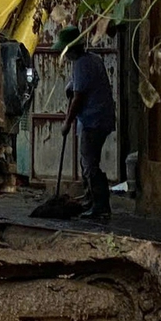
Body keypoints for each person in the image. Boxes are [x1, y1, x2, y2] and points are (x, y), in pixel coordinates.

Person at [57, 27, 117, 222]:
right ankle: (91, 201)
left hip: (94, 120)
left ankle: (100, 206)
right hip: (99, 118)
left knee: (90, 164)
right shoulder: (92, 60)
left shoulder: (83, 64)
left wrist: (67, 122)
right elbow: (75, 89)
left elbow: (78, 98)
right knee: (87, 163)